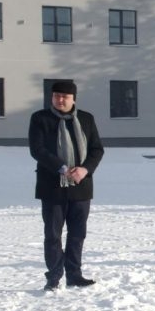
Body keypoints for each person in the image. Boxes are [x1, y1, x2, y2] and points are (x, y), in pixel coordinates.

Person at [29, 80, 105, 290]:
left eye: (65, 96)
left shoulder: (86, 119)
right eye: (56, 96)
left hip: (81, 185)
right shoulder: (40, 118)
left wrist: (84, 169)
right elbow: (38, 149)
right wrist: (63, 168)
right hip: (52, 186)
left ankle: (74, 274)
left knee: (77, 234)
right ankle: (53, 277)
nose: (60, 100)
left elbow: (96, 149)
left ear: (74, 99)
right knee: (53, 234)